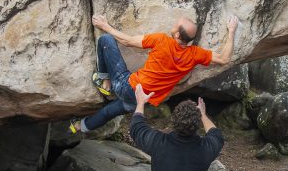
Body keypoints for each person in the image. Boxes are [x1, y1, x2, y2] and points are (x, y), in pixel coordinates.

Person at [70, 12, 239, 133]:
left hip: (128, 86)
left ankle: (104, 81)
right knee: (108, 112)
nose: (172, 25)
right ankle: (81, 126)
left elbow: (127, 41)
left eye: (175, 25)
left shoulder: (161, 40)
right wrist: (231, 30)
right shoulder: (195, 55)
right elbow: (224, 59)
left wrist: (105, 26)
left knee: (105, 39)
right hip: (142, 100)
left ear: (178, 34)